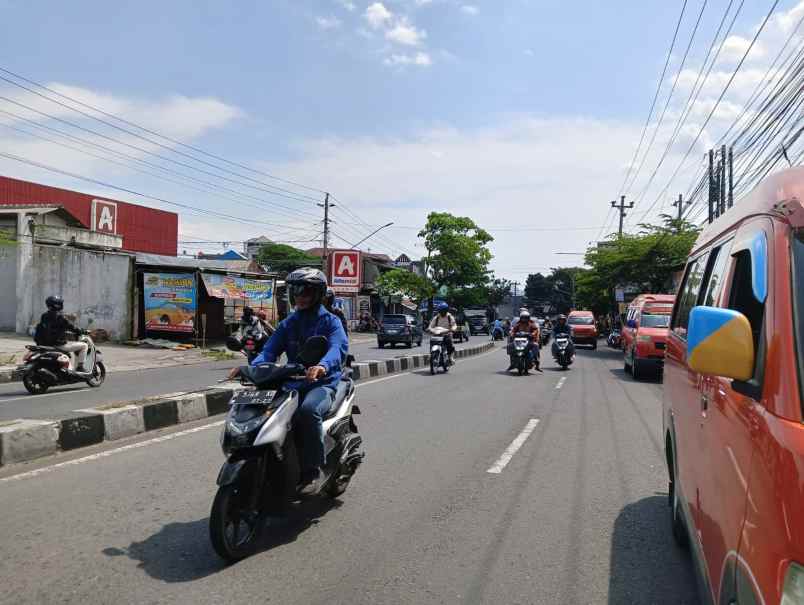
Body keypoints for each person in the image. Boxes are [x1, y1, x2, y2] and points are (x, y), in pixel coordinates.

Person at [228, 268, 348, 496]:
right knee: (267, 412)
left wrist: (322, 366)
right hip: (291, 383)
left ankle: (312, 471)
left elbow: (337, 348)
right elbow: (270, 350)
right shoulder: (289, 323)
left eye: (305, 291)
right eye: (296, 291)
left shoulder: (331, 322)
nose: (299, 296)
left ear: (318, 294)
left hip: (321, 384)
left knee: (308, 411)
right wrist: (252, 369)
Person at [35, 295, 88, 372]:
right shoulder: (61, 317)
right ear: (57, 305)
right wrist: (83, 331)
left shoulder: (44, 316)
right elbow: (72, 327)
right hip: (59, 345)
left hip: (46, 344)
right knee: (84, 345)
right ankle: (80, 367)